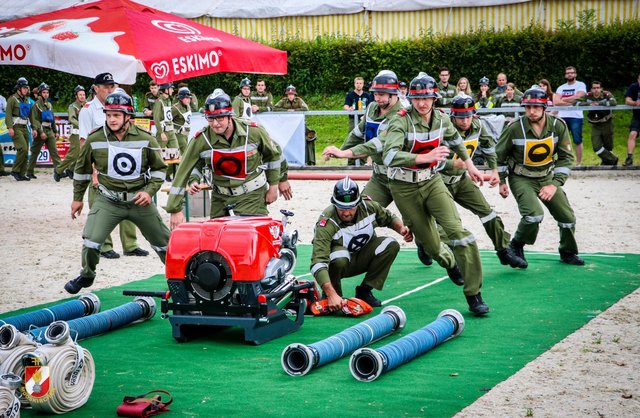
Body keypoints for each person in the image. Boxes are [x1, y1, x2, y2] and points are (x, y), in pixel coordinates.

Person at [379, 72, 490, 316]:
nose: (422, 103)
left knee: (459, 232)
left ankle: (474, 294)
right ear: (410, 99)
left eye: (427, 98)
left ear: (434, 98)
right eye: (417, 98)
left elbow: (455, 140)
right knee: (431, 245)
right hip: (404, 187)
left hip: (432, 181)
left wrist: (471, 166)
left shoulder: (441, 118)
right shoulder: (400, 121)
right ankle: (449, 262)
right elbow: (388, 155)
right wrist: (422, 158)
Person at [64, 91, 170, 294]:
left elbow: (159, 169)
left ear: (128, 116)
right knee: (91, 241)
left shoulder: (146, 138)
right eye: (108, 115)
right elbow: (82, 169)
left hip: (140, 201)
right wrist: (77, 199)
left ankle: (179, 278)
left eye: (116, 115)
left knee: (165, 243)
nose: (111, 119)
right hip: (108, 200)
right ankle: (87, 275)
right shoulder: (95, 138)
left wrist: (149, 192)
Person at [325, 70, 433, 267]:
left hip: (403, 177)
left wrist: (345, 154)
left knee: (415, 222)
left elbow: (376, 144)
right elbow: (358, 134)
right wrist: (340, 151)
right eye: (375, 93)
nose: (377, 97)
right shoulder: (372, 108)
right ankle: (364, 253)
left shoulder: (402, 115)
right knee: (362, 213)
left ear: (394, 95)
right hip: (380, 176)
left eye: (382, 94)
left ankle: (425, 243)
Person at [165, 89, 288, 229]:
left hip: (252, 195)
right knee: (217, 238)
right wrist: (175, 207)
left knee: (246, 236)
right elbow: (185, 169)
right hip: (220, 197)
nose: (215, 124)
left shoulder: (254, 132)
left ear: (230, 116)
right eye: (210, 119)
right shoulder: (201, 139)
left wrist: (276, 184)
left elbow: (273, 155)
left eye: (220, 118)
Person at [496, 86, 584, 267]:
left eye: (536, 107)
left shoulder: (558, 125)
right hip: (521, 178)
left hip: (547, 177)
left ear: (545, 107)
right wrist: (502, 181)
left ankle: (567, 252)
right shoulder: (514, 128)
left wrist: (554, 184)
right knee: (533, 215)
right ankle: (516, 245)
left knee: (567, 218)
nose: (531, 111)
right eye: (527, 107)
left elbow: (567, 158)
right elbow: (499, 156)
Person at [444, 94, 526, 268]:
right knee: (447, 223)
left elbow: (488, 147)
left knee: (488, 213)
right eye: (460, 117)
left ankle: (504, 251)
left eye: (468, 116)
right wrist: (453, 164)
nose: (465, 121)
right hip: (439, 181)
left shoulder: (479, 125)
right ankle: (432, 249)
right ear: (452, 116)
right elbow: (430, 159)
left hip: (460, 180)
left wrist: (494, 170)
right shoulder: (443, 128)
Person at [310, 177, 413, 309]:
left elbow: (388, 217)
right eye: (341, 208)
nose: (347, 213)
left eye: (351, 207)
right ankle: (333, 295)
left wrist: (401, 229)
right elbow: (318, 261)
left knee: (390, 244)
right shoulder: (327, 223)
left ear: (358, 203)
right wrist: (331, 293)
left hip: (363, 256)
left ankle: (365, 290)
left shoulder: (368, 206)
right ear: (334, 204)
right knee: (339, 256)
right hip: (338, 264)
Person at [79, 72, 148, 259]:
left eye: (112, 86)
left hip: (122, 165)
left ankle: (131, 244)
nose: (111, 90)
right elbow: (85, 144)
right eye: (106, 87)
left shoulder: (120, 104)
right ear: (96, 88)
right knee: (102, 207)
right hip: (102, 167)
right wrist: (93, 172)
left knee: (129, 202)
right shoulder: (88, 110)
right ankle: (105, 246)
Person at [578, 81, 618, 166]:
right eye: (594, 88)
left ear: (601, 88)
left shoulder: (606, 94)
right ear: (591, 89)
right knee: (596, 146)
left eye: (598, 88)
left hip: (607, 123)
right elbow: (576, 103)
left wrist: (600, 103)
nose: (596, 90)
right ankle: (613, 159)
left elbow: (614, 102)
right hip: (595, 124)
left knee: (608, 146)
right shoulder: (588, 96)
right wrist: (588, 104)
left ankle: (607, 163)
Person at [273, 85, 316, 165]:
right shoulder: (283, 101)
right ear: (287, 95)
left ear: (295, 95)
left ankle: (306, 160)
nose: (290, 96)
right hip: (286, 125)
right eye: (289, 94)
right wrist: (286, 111)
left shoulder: (299, 100)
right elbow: (275, 108)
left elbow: (306, 109)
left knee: (308, 136)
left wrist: (294, 110)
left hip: (298, 125)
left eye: (292, 94)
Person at [26, 83, 61, 179]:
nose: (46, 94)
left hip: (49, 131)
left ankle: (59, 171)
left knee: (54, 151)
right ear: (40, 93)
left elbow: (52, 118)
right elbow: (35, 120)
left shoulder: (49, 105)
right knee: (35, 152)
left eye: (47, 92)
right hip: (40, 131)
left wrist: (55, 131)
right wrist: (40, 132)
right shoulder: (35, 105)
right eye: (44, 92)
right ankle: (29, 172)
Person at [5, 77, 37, 181]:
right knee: (22, 148)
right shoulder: (12, 99)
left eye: (26, 88)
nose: (26, 90)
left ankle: (22, 174)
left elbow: (31, 116)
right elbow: (8, 115)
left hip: (25, 127)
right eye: (24, 88)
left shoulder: (28, 100)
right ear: (18, 88)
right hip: (16, 127)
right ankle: (15, 170)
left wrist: (34, 128)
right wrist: (10, 127)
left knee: (26, 150)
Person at [553, 66, 587, 166]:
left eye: (571, 73)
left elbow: (579, 96)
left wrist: (563, 99)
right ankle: (562, 162)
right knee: (560, 141)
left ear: (575, 74)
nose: (570, 74)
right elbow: (556, 101)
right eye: (568, 73)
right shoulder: (561, 87)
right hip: (562, 117)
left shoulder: (580, 85)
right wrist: (570, 102)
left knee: (577, 140)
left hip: (576, 117)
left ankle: (578, 163)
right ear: (565, 75)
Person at [54, 85, 86, 181]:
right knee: (73, 155)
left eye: (83, 94)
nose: (82, 96)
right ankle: (58, 170)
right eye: (80, 94)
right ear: (76, 96)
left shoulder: (87, 105)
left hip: (85, 133)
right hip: (76, 134)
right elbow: (71, 118)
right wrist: (82, 125)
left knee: (82, 154)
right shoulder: (72, 106)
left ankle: (71, 170)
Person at [152, 82, 178, 181]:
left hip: (171, 131)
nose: (172, 90)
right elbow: (156, 118)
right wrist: (161, 132)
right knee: (159, 155)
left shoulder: (168, 101)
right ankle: (156, 176)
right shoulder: (159, 102)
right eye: (170, 88)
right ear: (166, 90)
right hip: (163, 131)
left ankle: (169, 173)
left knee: (176, 153)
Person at [623, 73, 640, 166]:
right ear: (638, 80)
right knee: (632, 134)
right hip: (637, 116)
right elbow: (627, 100)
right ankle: (629, 158)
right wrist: (634, 103)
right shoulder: (633, 87)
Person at [171, 87, 192, 157]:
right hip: (178, 134)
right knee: (184, 153)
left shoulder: (187, 106)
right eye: (187, 98)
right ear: (180, 98)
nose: (189, 100)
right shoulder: (175, 108)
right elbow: (166, 120)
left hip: (185, 134)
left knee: (184, 153)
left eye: (189, 98)